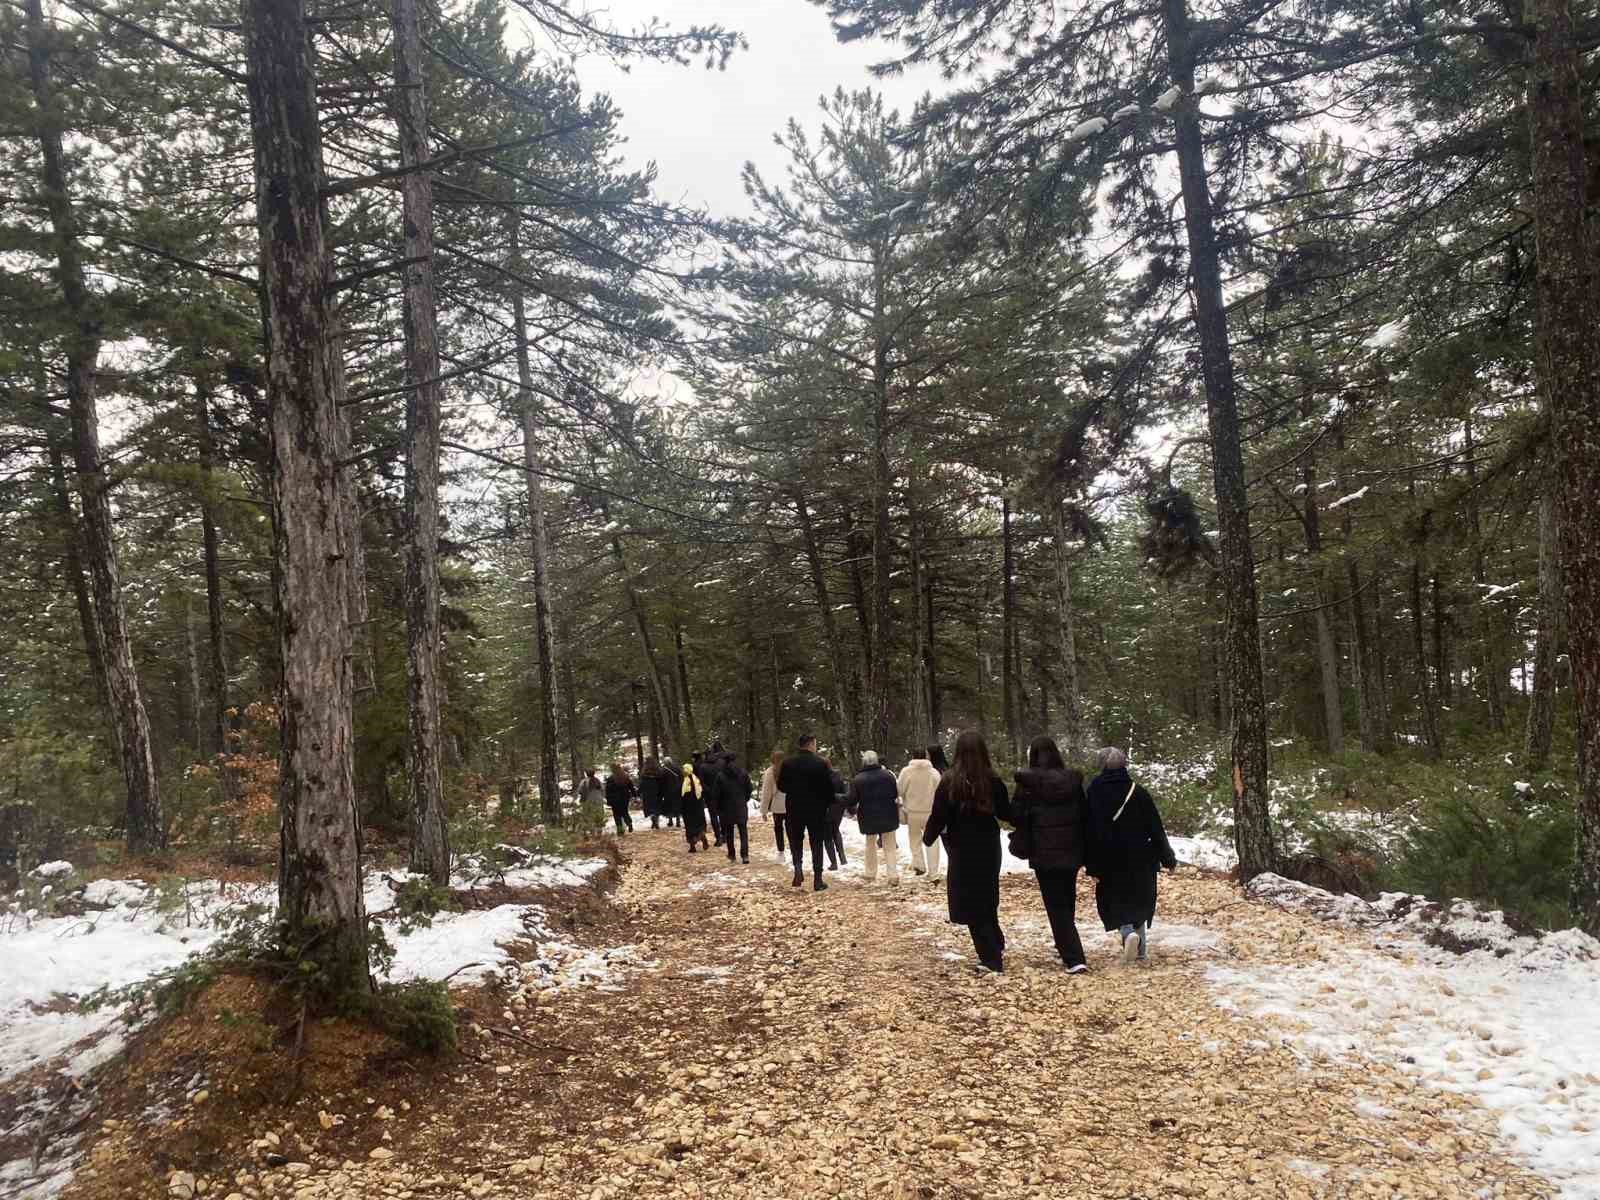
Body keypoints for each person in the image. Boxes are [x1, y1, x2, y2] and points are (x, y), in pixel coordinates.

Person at [923, 731, 1013, 972]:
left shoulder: (950, 780)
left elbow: (939, 814)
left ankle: (991, 958)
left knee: (970, 900)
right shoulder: (992, 779)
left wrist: (928, 837)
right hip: (989, 844)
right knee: (987, 891)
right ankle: (996, 940)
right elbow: (1006, 813)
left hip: (961, 846)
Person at [1084, 747, 1177, 964]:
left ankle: (1127, 934)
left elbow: (1088, 830)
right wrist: (1168, 858)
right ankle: (1141, 951)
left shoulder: (1094, 792)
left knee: (1115, 901)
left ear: (1102, 766)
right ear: (1124, 765)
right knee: (1139, 901)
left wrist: (1091, 865)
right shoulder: (1139, 791)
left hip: (1108, 859)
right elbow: (1156, 828)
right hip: (1141, 857)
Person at [1012, 737, 1089, 973]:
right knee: (1067, 898)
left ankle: (1074, 957)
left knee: (1055, 904)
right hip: (1072, 848)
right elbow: (1085, 814)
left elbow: (1016, 816)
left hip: (1044, 851)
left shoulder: (1028, 784)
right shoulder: (1073, 782)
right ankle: (1065, 942)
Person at [775, 733, 834, 891]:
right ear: (810, 745)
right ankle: (817, 879)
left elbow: (781, 786)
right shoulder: (820, 764)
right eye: (815, 744)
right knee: (816, 843)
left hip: (794, 808)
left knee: (796, 841)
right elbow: (829, 788)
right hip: (817, 809)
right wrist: (827, 803)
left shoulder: (788, 763)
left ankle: (798, 869)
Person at [848, 751, 900, 884]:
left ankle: (870, 873)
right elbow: (895, 793)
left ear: (864, 762)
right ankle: (893, 875)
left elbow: (852, 799)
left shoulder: (858, 779)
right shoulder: (888, 776)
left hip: (868, 816)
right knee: (889, 845)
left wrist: (846, 805)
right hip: (888, 814)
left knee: (870, 844)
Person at [897, 746, 942, 879]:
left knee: (915, 840)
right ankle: (933, 872)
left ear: (913, 757)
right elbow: (940, 791)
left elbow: (899, 790)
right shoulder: (933, 772)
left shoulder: (906, 771)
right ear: (925, 756)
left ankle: (920, 865)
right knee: (932, 840)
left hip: (912, 812)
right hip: (930, 812)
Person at [717, 752, 754, 864]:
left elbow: (717, 794)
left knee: (729, 832)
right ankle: (745, 855)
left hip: (726, 807)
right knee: (743, 831)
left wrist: (719, 807)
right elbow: (749, 789)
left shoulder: (721, 775)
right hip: (740, 805)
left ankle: (732, 854)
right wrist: (744, 799)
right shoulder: (743, 773)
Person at [759, 750, 787, 861]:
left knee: (778, 828)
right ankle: (795, 850)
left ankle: (781, 853)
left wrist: (764, 811)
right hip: (790, 804)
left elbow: (766, 792)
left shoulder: (770, 772)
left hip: (777, 805)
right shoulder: (790, 769)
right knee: (791, 829)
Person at [680, 758, 710, 852]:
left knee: (690, 826)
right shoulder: (696, 779)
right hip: (698, 807)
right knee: (699, 824)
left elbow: (681, 795)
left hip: (688, 809)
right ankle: (702, 836)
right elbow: (703, 790)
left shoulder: (684, 782)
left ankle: (692, 846)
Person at [696, 748, 724, 846]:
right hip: (722, 794)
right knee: (722, 814)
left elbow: (701, 782)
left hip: (710, 795)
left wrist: (708, 791)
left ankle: (718, 837)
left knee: (714, 816)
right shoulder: (721, 763)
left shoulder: (703, 767)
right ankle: (724, 835)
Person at [824, 759, 848, 869]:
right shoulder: (838, 775)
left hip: (826, 809)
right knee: (836, 830)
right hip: (838, 808)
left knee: (827, 836)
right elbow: (845, 792)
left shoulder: (821, 778)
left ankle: (833, 863)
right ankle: (842, 857)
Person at [603, 763, 637, 836]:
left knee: (616, 814)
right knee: (625, 812)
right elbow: (631, 786)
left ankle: (620, 830)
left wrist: (608, 800)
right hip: (625, 798)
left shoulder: (611, 778)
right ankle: (629, 823)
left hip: (614, 799)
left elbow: (608, 790)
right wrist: (634, 795)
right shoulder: (625, 777)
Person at [658, 757, 683, 828]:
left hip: (667, 791)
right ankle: (678, 821)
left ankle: (670, 821)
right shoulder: (677, 768)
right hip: (677, 790)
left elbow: (661, 782)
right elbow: (681, 778)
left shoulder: (663, 770)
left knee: (669, 806)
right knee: (677, 805)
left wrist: (661, 791)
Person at [639, 758, 662, 829]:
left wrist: (639, 791)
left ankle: (653, 820)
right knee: (656, 807)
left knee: (650, 807)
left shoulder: (644, 771)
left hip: (647, 792)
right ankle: (656, 821)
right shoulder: (657, 771)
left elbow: (642, 783)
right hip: (656, 791)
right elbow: (661, 781)